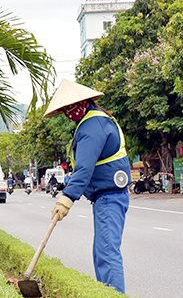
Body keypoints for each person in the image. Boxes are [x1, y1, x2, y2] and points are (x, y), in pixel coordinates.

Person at [43, 79, 131, 294]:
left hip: (109, 196)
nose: (68, 112)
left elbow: (84, 169)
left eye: (71, 107)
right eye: (65, 109)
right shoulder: (95, 122)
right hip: (105, 197)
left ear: (84, 101)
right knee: (101, 253)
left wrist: (66, 198)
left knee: (107, 253)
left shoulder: (92, 126)